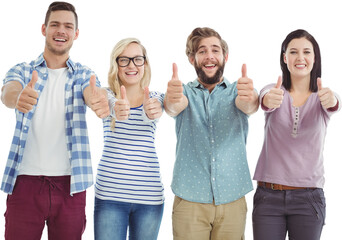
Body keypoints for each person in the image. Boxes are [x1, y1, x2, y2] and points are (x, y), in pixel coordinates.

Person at [0, 2, 109, 239]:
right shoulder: (23, 70)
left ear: (75, 34)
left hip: (71, 185)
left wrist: (97, 101)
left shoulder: (84, 74)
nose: (61, 30)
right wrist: (18, 96)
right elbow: (8, 91)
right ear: (44, 29)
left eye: (68, 26)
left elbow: (92, 93)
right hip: (25, 184)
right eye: (55, 24)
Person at [164, 27, 259, 240]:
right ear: (192, 58)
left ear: (225, 57)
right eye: (202, 51)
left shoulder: (238, 90)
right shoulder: (183, 92)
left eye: (215, 50)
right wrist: (172, 100)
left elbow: (250, 105)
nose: (209, 56)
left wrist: (251, 97)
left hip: (232, 200)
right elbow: (172, 106)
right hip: (190, 201)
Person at [252, 29, 340, 240]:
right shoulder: (273, 91)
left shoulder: (324, 97)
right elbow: (264, 99)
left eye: (306, 52)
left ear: (314, 58)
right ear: (285, 58)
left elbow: (335, 102)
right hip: (268, 198)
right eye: (293, 52)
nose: (300, 58)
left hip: (308, 199)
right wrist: (267, 99)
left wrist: (332, 100)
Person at [94, 38, 164, 240]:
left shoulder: (156, 97)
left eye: (137, 59)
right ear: (116, 64)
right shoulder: (106, 95)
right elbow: (107, 101)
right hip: (110, 197)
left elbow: (155, 109)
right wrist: (117, 108)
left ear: (145, 64)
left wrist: (151, 110)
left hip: (149, 199)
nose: (131, 65)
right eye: (124, 60)